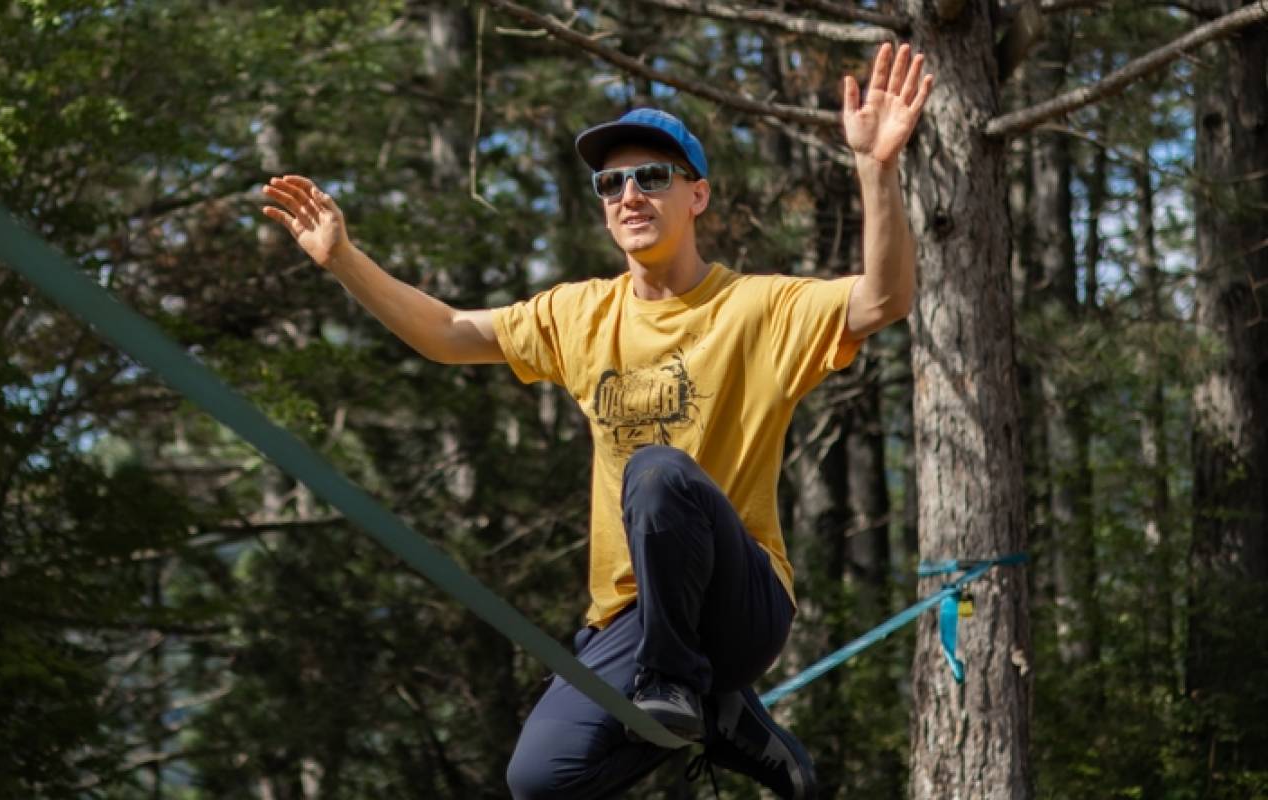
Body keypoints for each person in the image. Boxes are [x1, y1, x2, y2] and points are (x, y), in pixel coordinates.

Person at [261, 42, 934, 799]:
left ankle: (685, 685)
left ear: (698, 196)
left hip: (740, 604)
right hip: (632, 618)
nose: (630, 195)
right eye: (611, 183)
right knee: (538, 782)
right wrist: (344, 258)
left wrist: (877, 168)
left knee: (657, 470)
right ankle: (725, 719)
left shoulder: (759, 307)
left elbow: (885, 299)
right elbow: (447, 333)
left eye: (652, 177)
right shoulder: (579, 314)